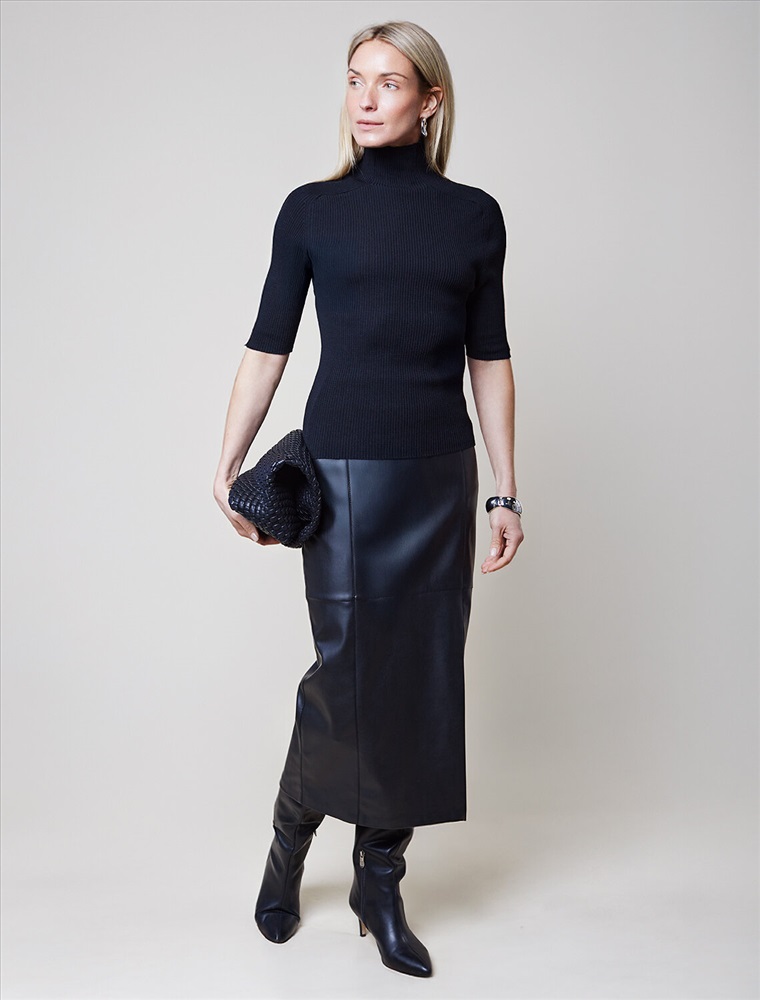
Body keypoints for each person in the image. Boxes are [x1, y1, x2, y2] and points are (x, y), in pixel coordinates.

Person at [213, 19, 524, 979]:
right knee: (346, 678)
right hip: (344, 472)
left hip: (438, 476)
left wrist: (506, 491)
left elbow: (490, 358)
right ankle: (288, 844)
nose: (367, 98)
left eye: (390, 82)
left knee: (419, 681)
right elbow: (268, 345)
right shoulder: (311, 210)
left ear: (430, 101)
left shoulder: (474, 216)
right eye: (357, 79)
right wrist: (227, 462)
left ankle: (378, 882)